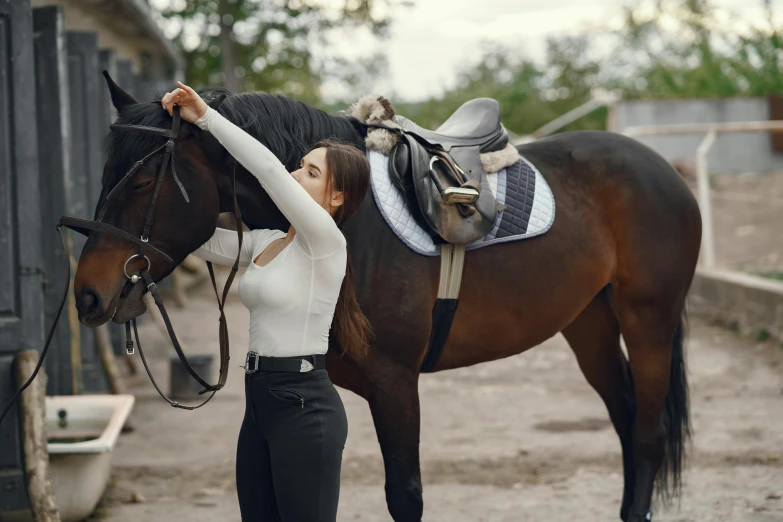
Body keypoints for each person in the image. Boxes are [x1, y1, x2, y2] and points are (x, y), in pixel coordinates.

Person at [160, 82, 372, 522]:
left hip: (303, 408)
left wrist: (207, 118)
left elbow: (270, 174)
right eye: (301, 166)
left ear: (337, 198)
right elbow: (188, 236)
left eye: (312, 173)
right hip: (258, 402)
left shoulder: (327, 243)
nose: (296, 175)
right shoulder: (266, 240)